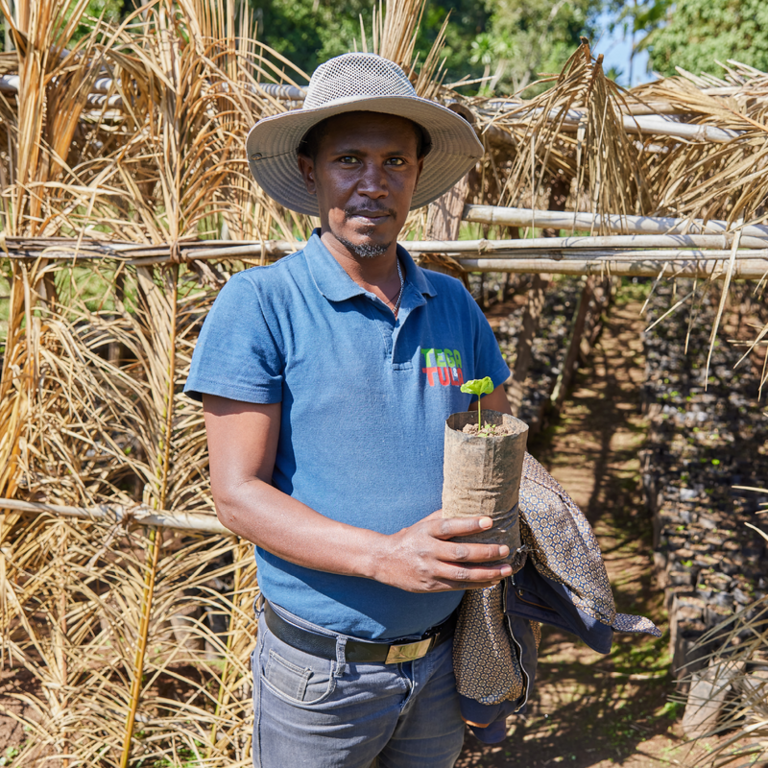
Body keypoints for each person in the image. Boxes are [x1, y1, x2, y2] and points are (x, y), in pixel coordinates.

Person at [185, 52, 515, 768]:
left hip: (436, 665)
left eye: (395, 161)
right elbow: (237, 495)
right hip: (322, 678)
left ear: (417, 176)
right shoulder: (262, 305)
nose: (374, 183)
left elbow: (499, 452)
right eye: (350, 159)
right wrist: (384, 557)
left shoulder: (453, 307)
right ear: (310, 173)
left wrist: (495, 647)